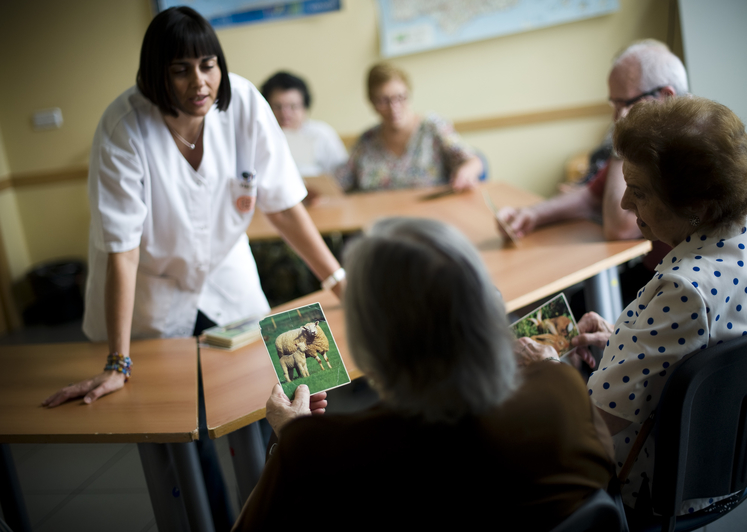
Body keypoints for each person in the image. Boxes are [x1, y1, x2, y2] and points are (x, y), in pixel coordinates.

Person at [41, 8, 343, 529]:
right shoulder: (123, 127)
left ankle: (265, 515)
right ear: (155, 74)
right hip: (151, 288)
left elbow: (283, 204)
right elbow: (123, 249)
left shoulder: (245, 102)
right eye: (181, 69)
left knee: (262, 407)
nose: (199, 82)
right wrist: (117, 362)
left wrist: (338, 278)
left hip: (228, 273)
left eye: (208, 65)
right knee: (183, 430)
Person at [232, 218, 615, 529]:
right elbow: (605, 481)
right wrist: (549, 367)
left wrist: (288, 439)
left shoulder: (316, 452)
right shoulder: (562, 389)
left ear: (370, 343)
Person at [521, 96, 747, 519]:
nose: (624, 205)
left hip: (668, 483)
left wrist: (549, 370)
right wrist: (628, 340)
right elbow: (713, 340)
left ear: (698, 206)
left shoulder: (683, 289)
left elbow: (590, 431)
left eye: (639, 192)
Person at [498, 40, 747, 276]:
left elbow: (620, 227)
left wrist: (623, 141)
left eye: (624, 104)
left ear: (665, 96)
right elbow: (589, 196)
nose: (616, 117)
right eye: (613, 105)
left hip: (700, 287)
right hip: (667, 275)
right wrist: (532, 214)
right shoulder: (654, 144)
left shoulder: (696, 150)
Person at [335, 63, 483, 192]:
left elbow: (472, 161)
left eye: (400, 98)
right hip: (381, 219)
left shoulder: (432, 127)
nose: (394, 108)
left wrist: (466, 172)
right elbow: (340, 184)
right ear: (372, 103)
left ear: (409, 95)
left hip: (429, 218)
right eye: (383, 101)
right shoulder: (366, 141)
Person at [261, 71, 348, 177]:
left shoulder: (321, 134)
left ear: (305, 107)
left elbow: (342, 175)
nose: (285, 114)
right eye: (277, 107)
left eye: (293, 106)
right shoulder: (260, 136)